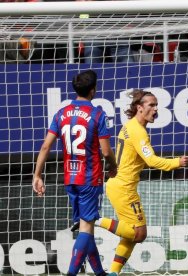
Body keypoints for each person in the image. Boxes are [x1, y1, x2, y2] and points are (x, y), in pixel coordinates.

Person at [85, 89, 188, 274]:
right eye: (151, 105)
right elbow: (151, 160)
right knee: (139, 234)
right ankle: (94, 220)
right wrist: (177, 163)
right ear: (139, 108)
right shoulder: (138, 132)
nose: (156, 109)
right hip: (124, 188)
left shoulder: (129, 126)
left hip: (119, 185)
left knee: (131, 234)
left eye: (157, 105)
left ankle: (113, 272)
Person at [32, 70, 118, 276]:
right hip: (90, 178)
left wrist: (37, 175)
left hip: (70, 178)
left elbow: (45, 146)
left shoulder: (61, 114)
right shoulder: (98, 114)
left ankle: (100, 274)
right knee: (87, 229)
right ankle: (71, 273)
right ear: (93, 90)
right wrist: (113, 166)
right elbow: (106, 151)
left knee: (85, 229)